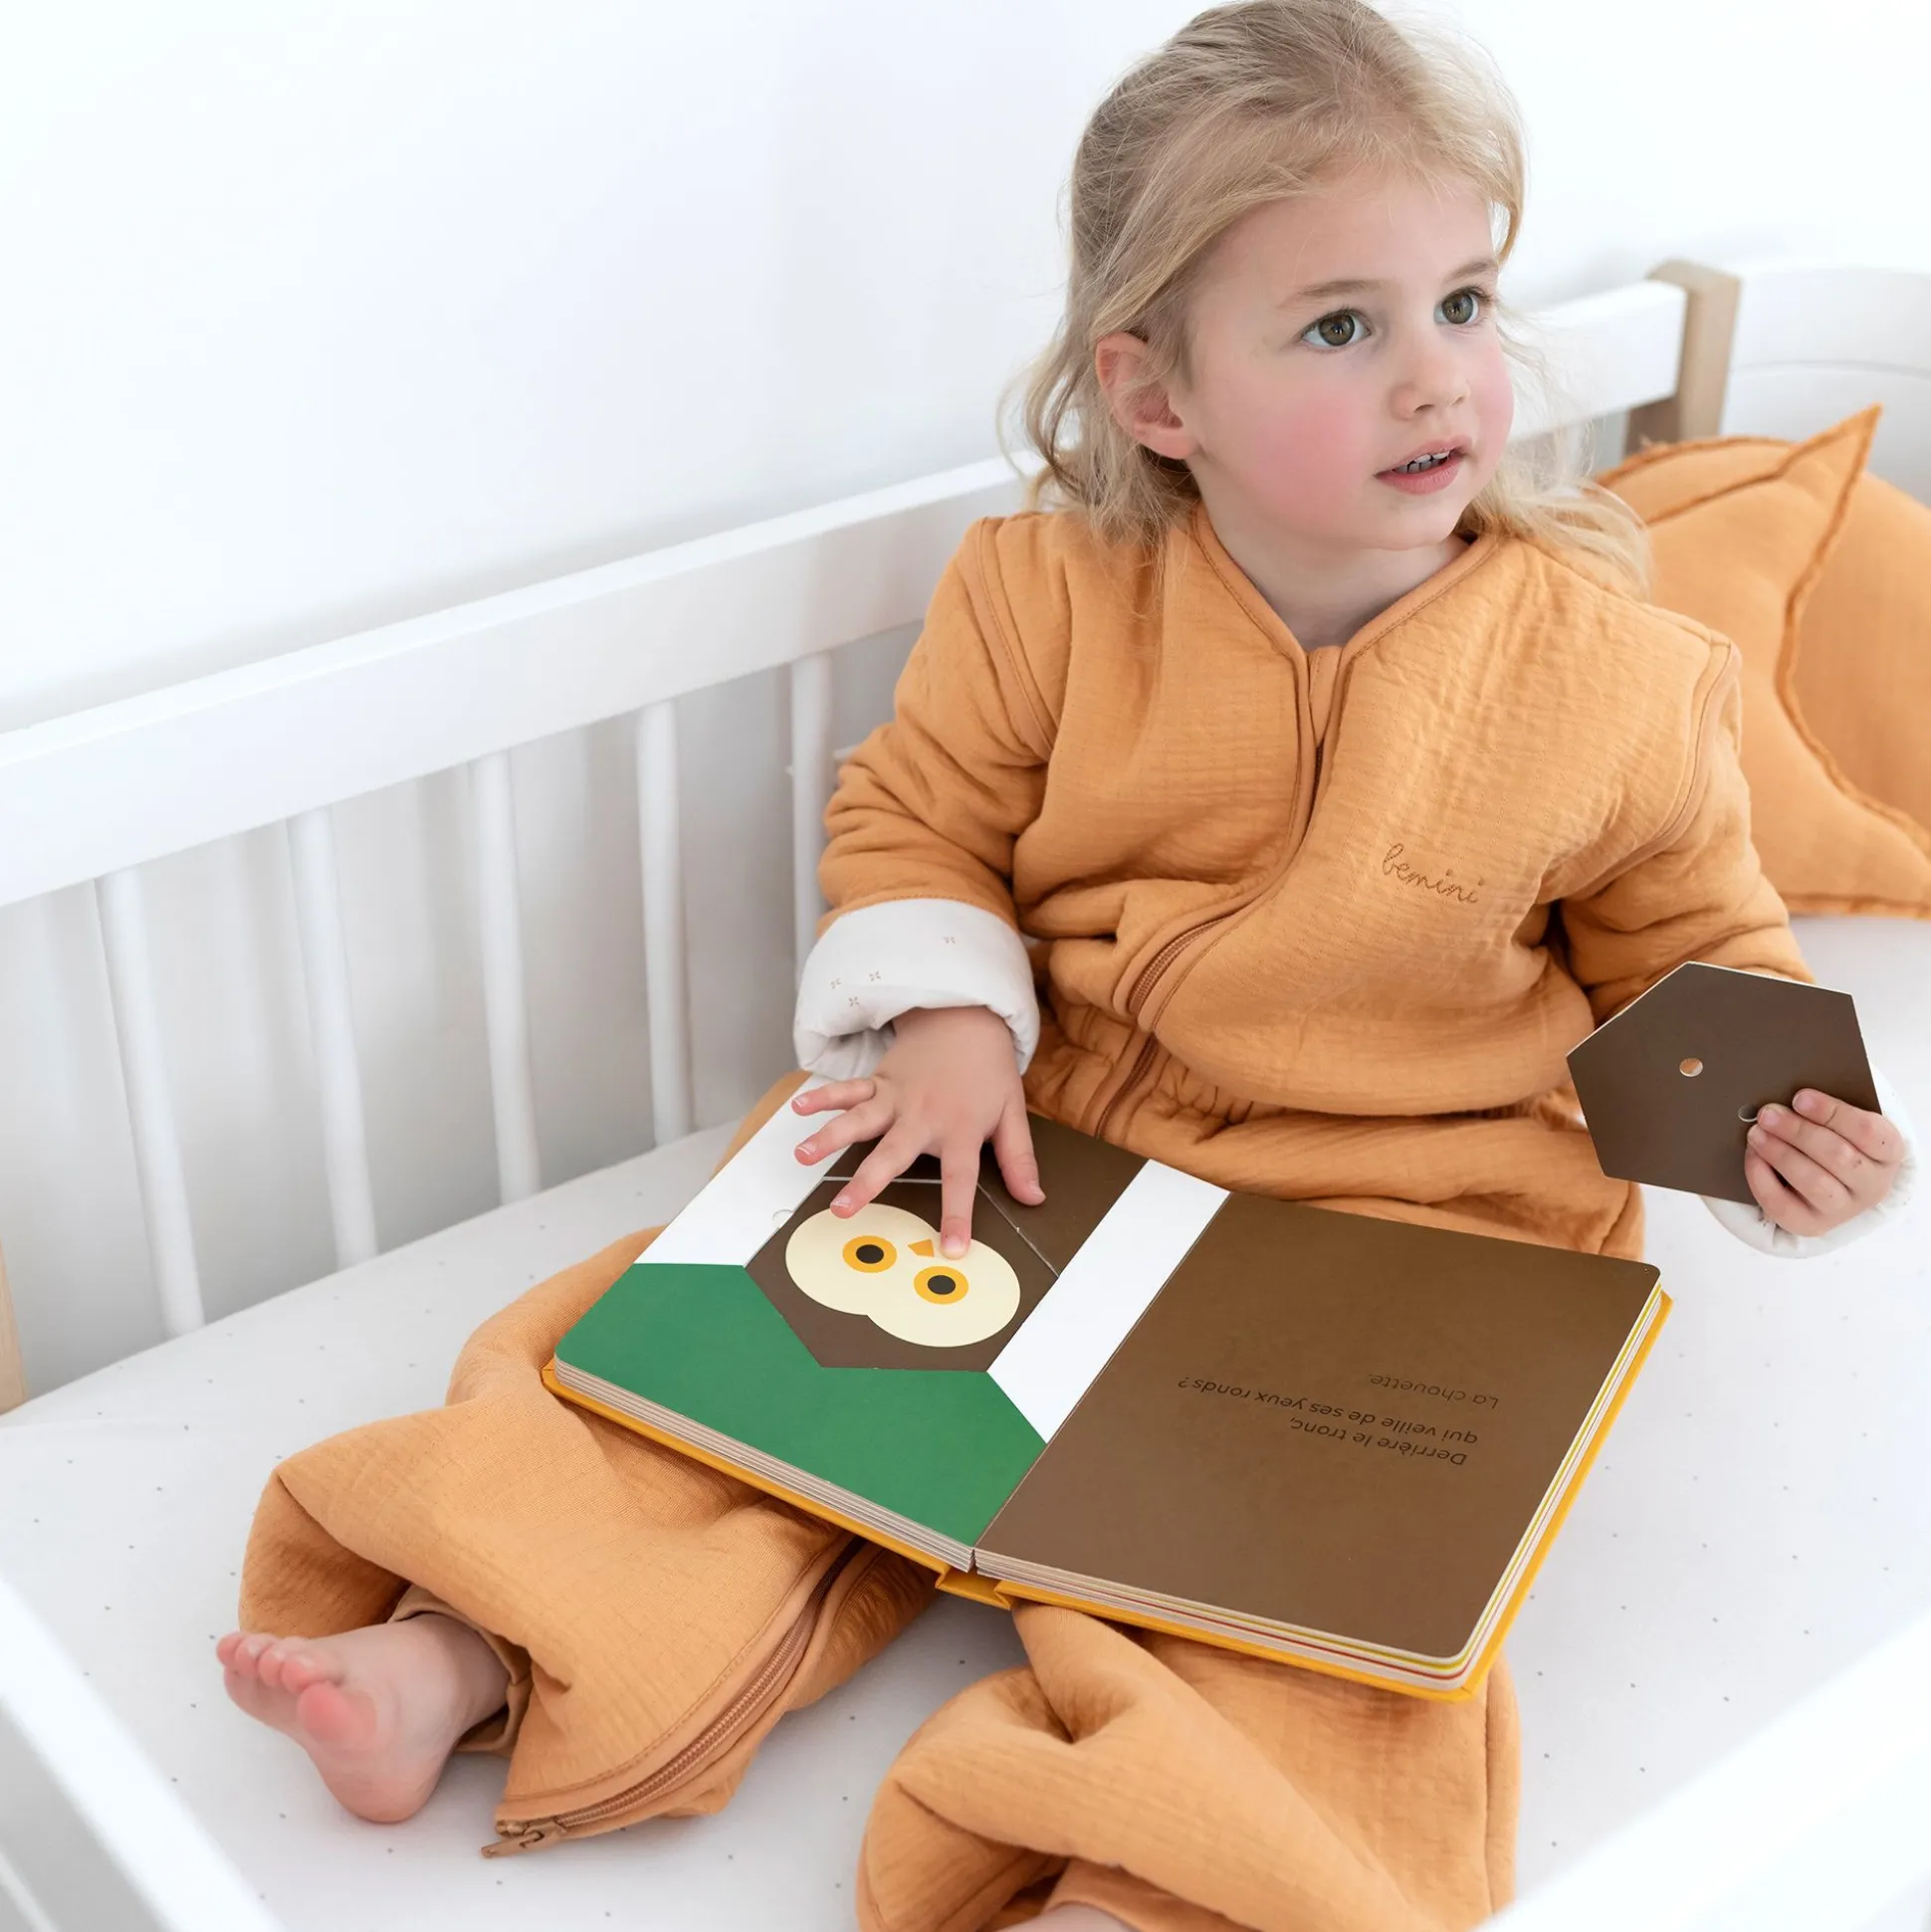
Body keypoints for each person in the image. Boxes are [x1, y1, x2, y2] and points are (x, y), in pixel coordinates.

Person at [218, 4, 1918, 1927]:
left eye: (1462, 300)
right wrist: (949, 1013)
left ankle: (1149, 1883)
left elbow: (1691, 955)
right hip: (1038, 1134)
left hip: (1407, 1213)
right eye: (1341, 326)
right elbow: (916, 819)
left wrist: (1778, 1134)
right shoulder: (1042, 595)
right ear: (1157, 392)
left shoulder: (1616, 682)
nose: (1437, 374)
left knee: (1326, 1617)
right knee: (709, 1384)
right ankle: (458, 1653)